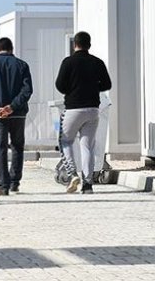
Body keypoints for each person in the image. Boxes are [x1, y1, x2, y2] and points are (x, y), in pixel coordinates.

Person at [54, 31, 112, 194]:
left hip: (73, 109)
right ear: (89, 45)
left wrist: (71, 89)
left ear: (75, 45)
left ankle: (72, 173)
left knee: (65, 141)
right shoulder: (97, 62)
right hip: (93, 110)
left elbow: (59, 85)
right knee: (87, 146)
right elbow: (107, 84)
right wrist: (93, 87)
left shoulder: (68, 62)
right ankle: (87, 184)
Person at [0, 37, 33, 196]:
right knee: (17, 147)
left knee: (0, 148)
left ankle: (3, 186)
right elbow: (27, 91)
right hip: (17, 114)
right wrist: (12, 107)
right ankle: (15, 182)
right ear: (11, 49)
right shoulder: (22, 65)